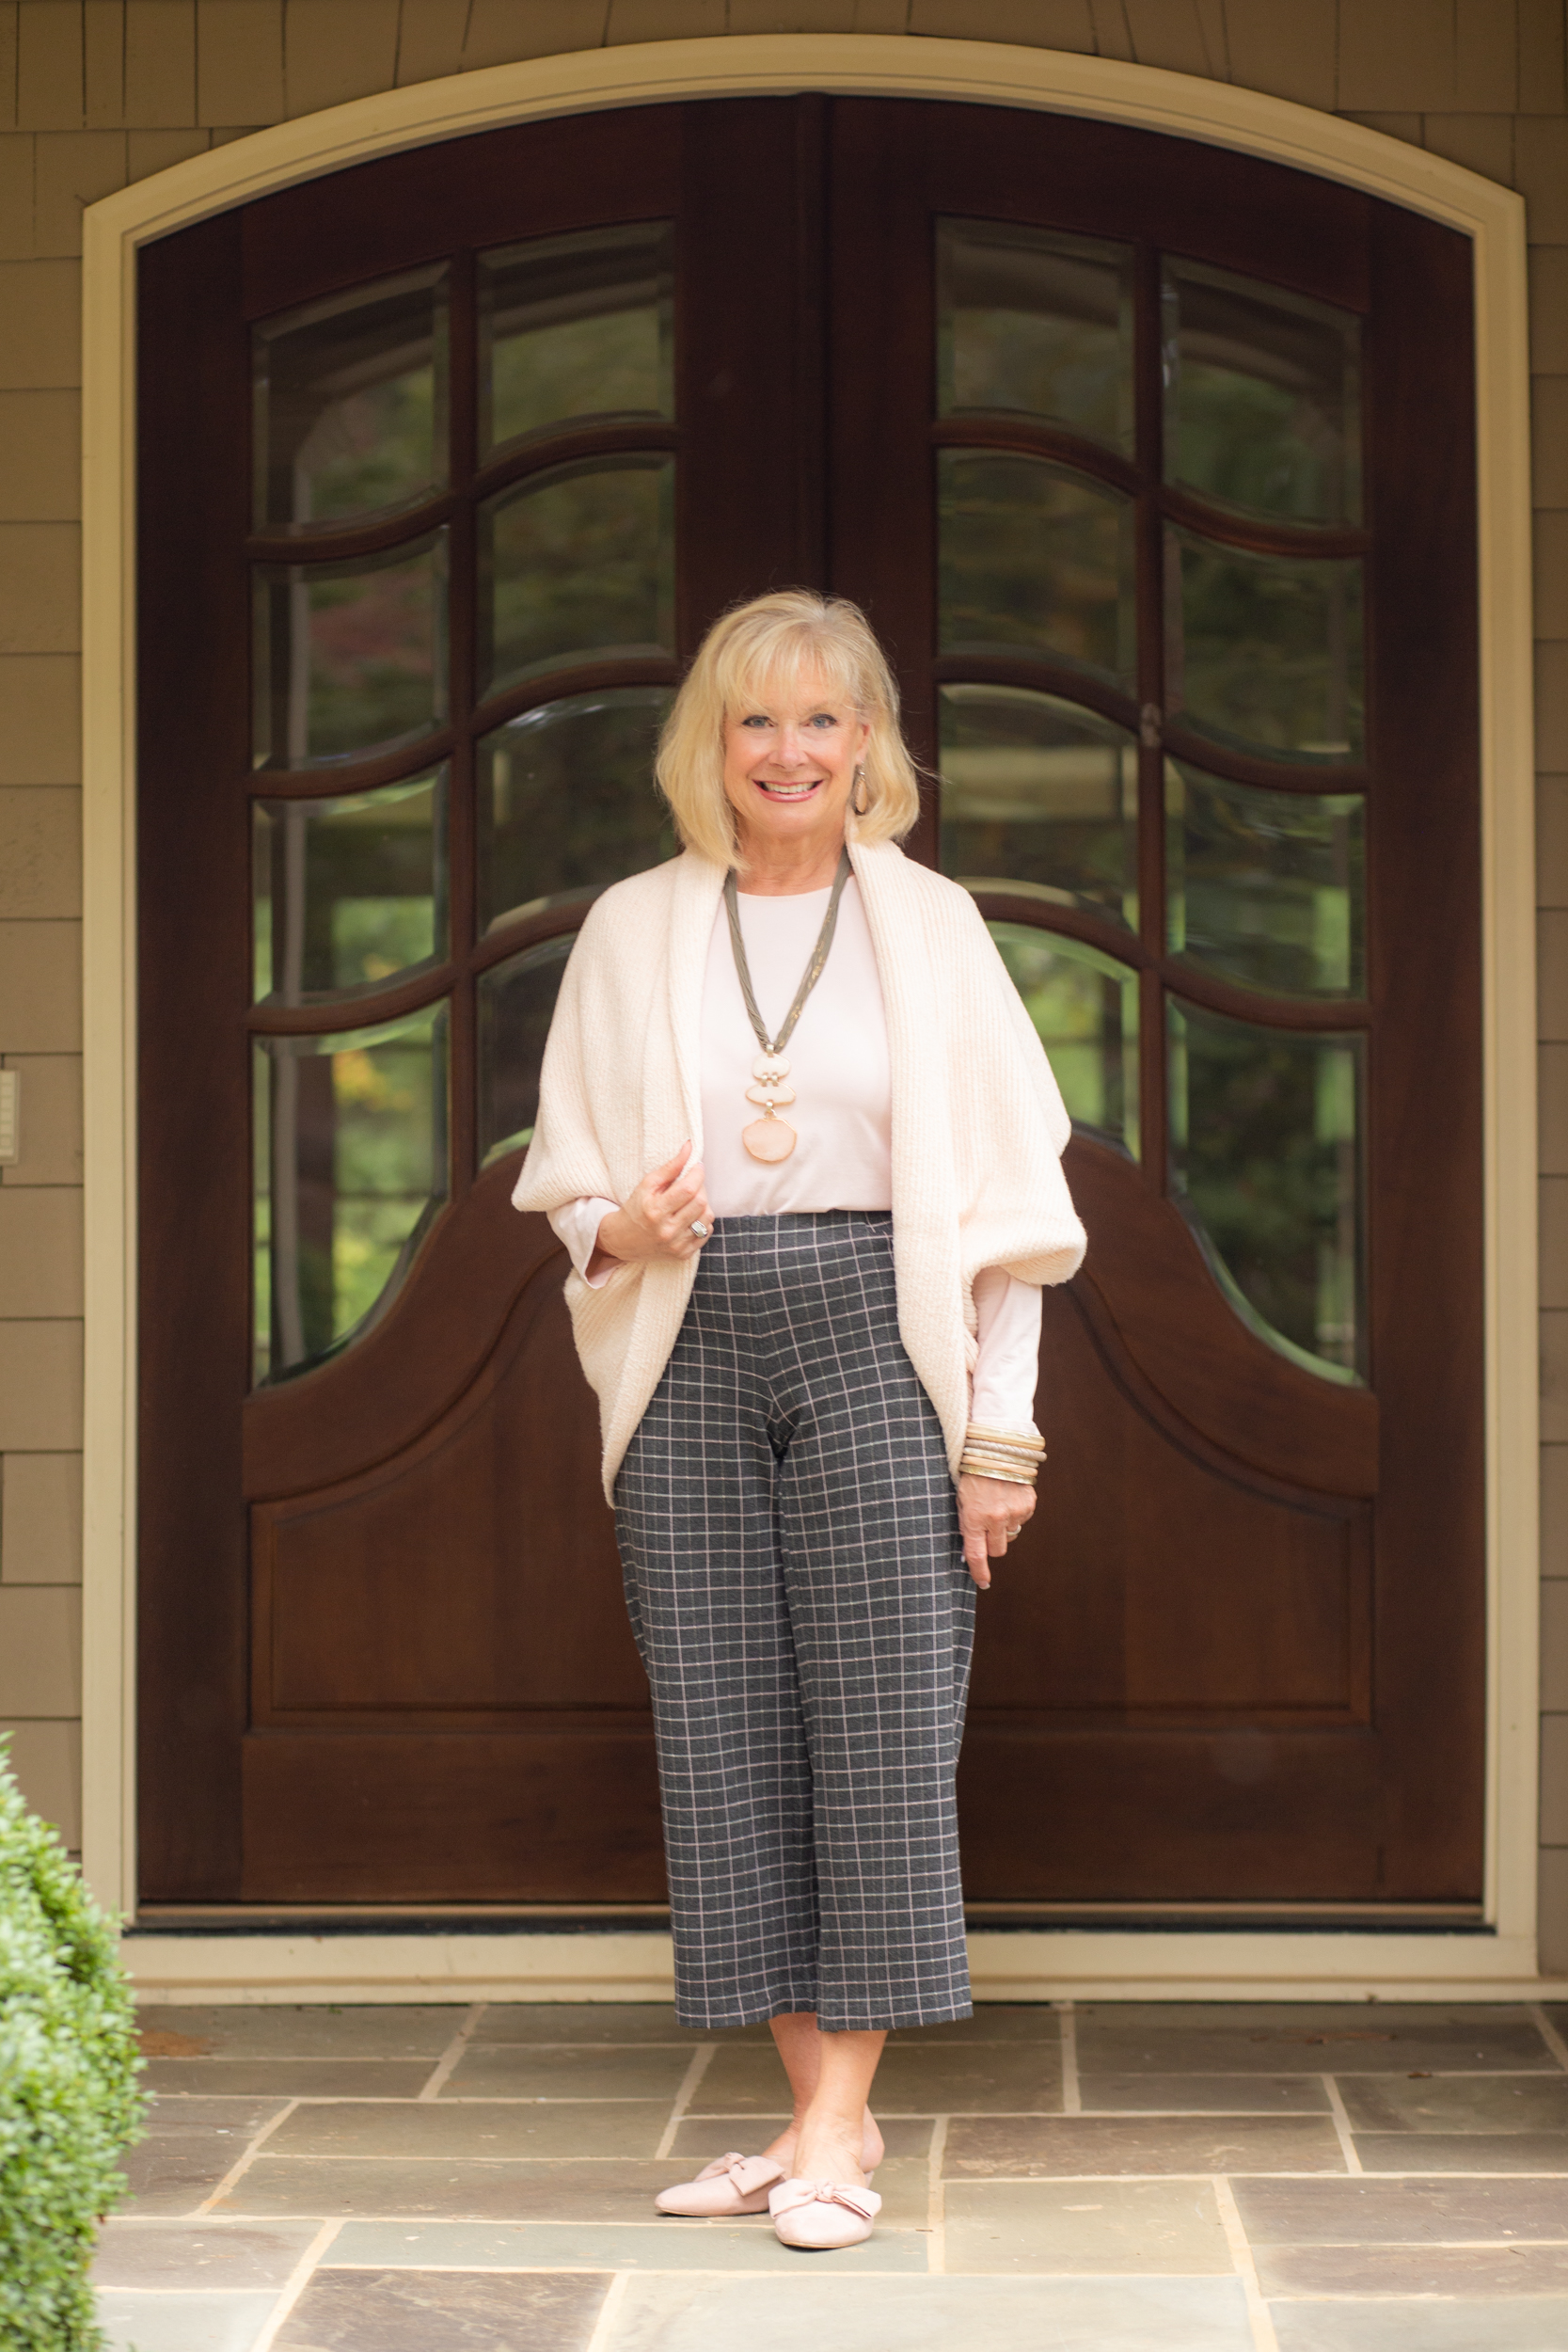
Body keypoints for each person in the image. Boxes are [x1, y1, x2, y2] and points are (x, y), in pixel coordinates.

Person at [513, 590, 1085, 2250]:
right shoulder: (633, 928)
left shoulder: (936, 928)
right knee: (721, 1729)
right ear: (712, 743)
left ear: (868, 747)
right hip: (688, 1338)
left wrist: (1004, 1434)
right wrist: (631, 1226)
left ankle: (840, 2129)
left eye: (821, 720)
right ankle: (804, 2113)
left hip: (876, 1338)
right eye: (756, 719)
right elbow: (568, 1190)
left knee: (886, 1730)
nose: (788, 751)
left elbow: (1009, 1211)